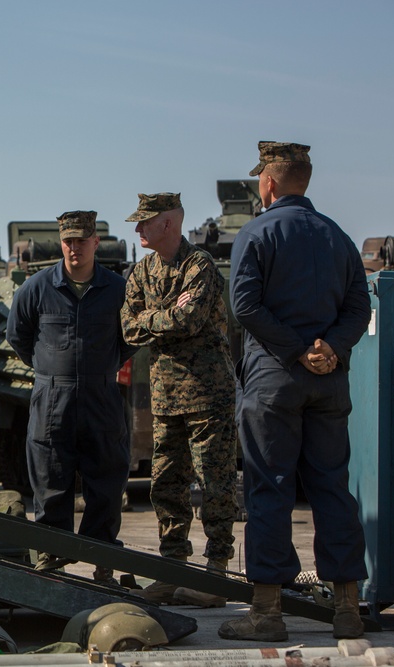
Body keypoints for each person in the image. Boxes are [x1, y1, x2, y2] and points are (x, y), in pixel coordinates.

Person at [220, 142, 371, 641]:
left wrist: (294, 351)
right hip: (329, 382)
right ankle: (348, 609)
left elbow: (244, 305)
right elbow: (358, 308)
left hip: (273, 383)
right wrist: (328, 348)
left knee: (269, 488)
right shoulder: (338, 236)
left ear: (267, 183)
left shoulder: (257, 233)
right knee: (332, 487)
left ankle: (267, 614)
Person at [120, 193, 238, 608]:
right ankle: (173, 570)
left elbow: (190, 322)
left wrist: (154, 318)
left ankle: (216, 573)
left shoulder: (199, 266)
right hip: (166, 398)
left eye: (144, 222)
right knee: (166, 486)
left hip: (208, 395)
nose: (137, 230)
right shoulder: (141, 272)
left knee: (215, 483)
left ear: (167, 224)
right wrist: (166, 313)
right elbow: (129, 331)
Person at [6, 210, 136, 584]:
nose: (74, 247)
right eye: (68, 241)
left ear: (96, 242)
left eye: (82, 240)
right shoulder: (38, 287)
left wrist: (104, 367)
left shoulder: (117, 289)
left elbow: (129, 339)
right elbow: (19, 335)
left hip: (101, 396)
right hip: (52, 400)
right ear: (61, 243)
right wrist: (50, 371)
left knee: (107, 482)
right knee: (50, 480)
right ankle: (51, 560)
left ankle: (102, 561)